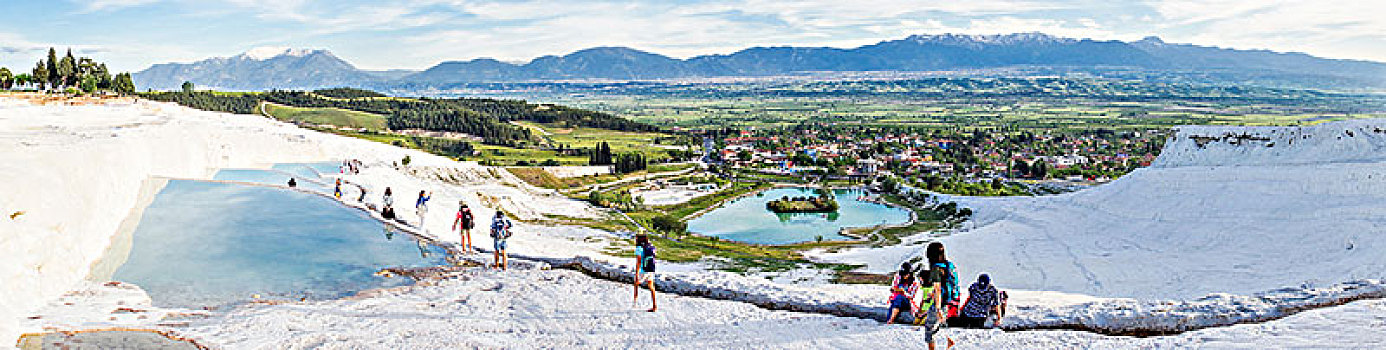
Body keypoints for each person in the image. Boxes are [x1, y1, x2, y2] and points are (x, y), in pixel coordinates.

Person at [920, 242, 958, 350]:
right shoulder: (948, 265)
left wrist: (937, 309)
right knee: (941, 325)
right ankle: (949, 344)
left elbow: (937, 289)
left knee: (930, 328)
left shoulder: (936, 269)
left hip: (941, 302)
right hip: (950, 301)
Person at [633, 234, 658, 312]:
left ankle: (635, 302)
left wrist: (637, 273)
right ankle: (654, 306)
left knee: (636, 284)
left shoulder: (639, 248)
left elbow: (639, 262)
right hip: (651, 270)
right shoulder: (650, 246)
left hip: (643, 271)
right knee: (651, 287)